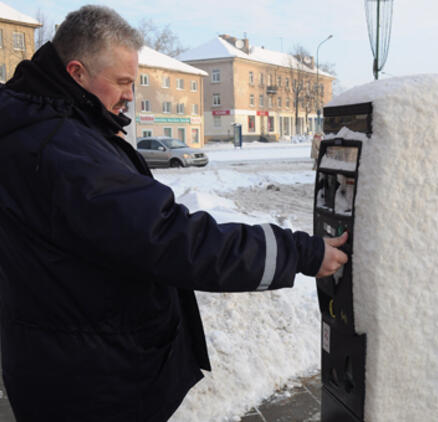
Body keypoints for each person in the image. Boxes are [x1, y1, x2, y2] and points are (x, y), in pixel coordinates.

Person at [0, 5, 348, 421]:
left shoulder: (36, 123)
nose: (131, 93)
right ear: (76, 73)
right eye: (123, 81)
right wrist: (300, 253)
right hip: (92, 380)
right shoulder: (62, 146)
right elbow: (169, 237)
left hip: (58, 358)